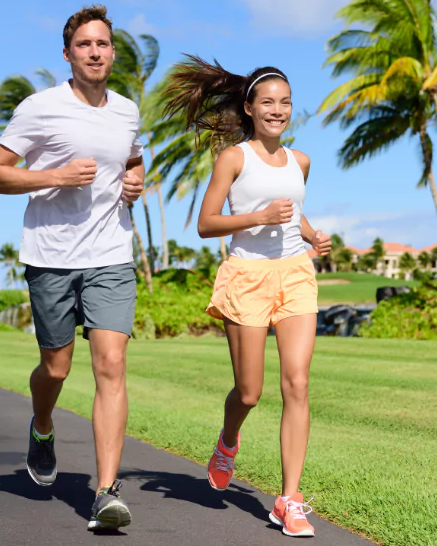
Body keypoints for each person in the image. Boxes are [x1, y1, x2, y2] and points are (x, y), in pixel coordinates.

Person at [0, 4, 143, 532]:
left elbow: (132, 157)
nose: (95, 52)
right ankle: (43, 425)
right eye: (84, 45)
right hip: (51, 257)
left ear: (112, 52)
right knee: (56, 367)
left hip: (111, 255)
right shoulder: (40, 108)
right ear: (69, 54)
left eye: (102, 44)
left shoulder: (126, 110)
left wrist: (134, 183)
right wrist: (55, 176)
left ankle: (106, 492)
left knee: (111, 365)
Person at [161, 55, 332, 538]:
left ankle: (289, 500)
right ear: (250, 108)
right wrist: (258, 217)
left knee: (297, 384)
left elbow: (293, 212)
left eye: (286, 102)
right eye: (268, 102)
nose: (278, 110)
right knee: (251, 391)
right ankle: (228, 439)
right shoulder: (234, 157)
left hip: (296, 274)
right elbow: (205, 223)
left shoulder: (301, 161)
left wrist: (313, 235)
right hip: (247, 278)